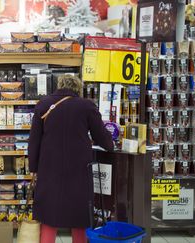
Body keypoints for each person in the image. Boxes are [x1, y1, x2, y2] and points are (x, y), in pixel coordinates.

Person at [28, 75, 114, 243]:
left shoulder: (43, 104)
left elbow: (34, 140)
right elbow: (101, 136)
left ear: (59, 85)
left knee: (49, 215)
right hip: (79, 168)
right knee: (79, 215)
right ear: (78, 88)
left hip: (49, 167)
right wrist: (111, 145)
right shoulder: (87, 106)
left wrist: (34, 167)